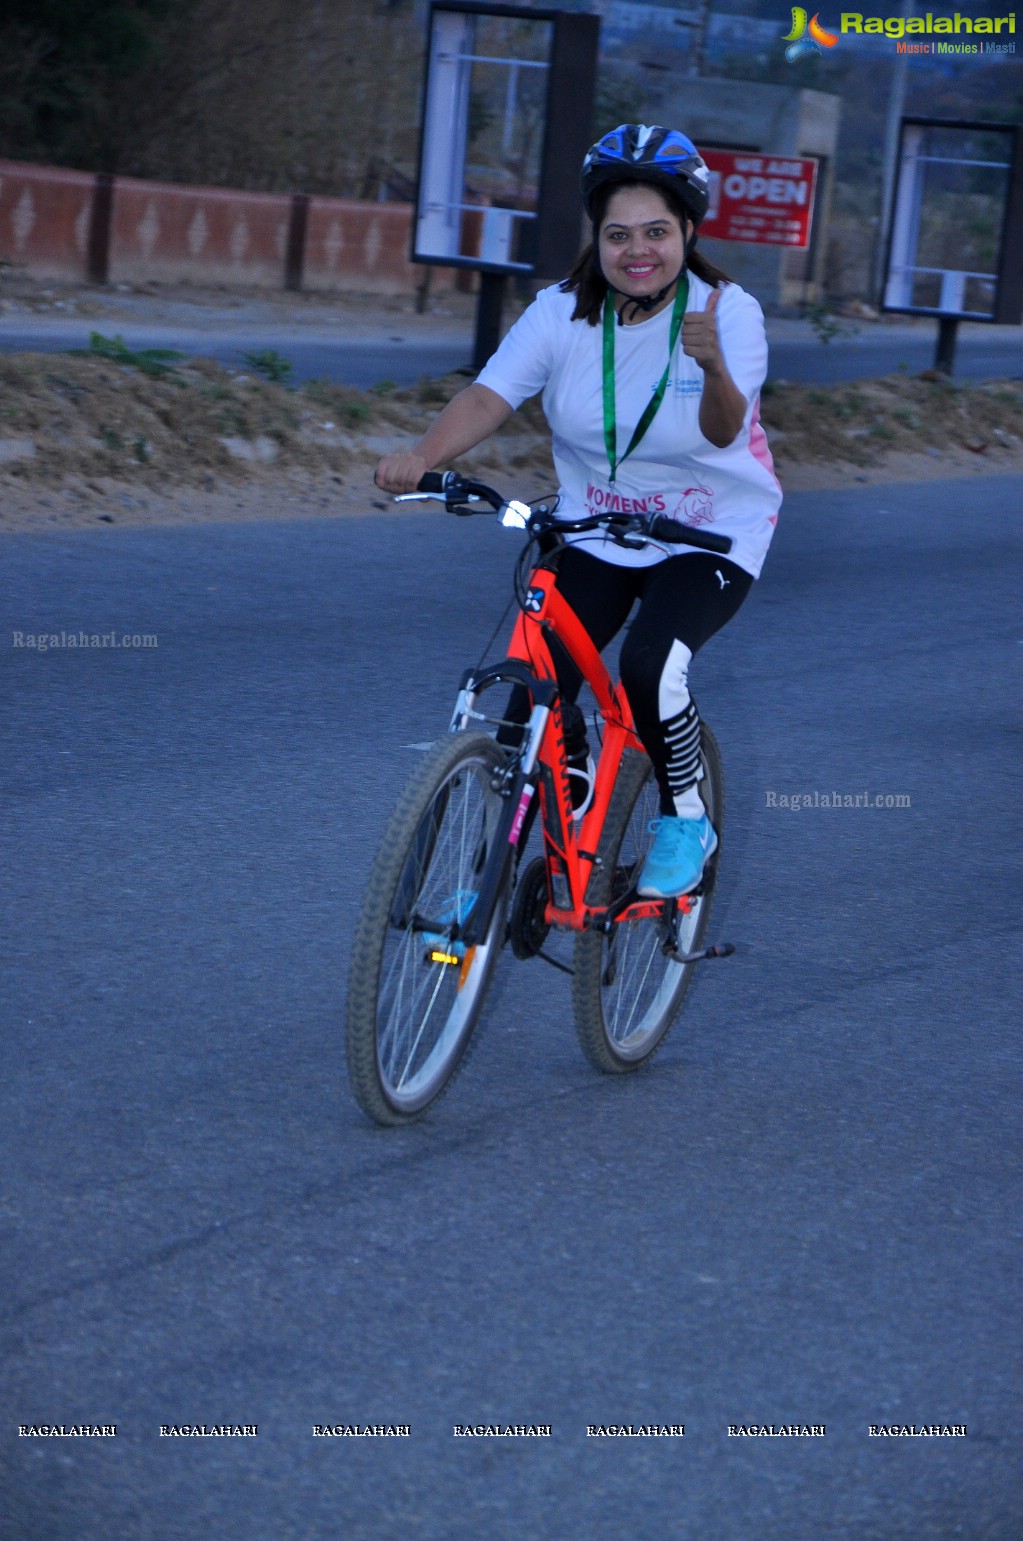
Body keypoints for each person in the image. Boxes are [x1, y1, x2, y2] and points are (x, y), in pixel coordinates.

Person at [375, 123, 782, 899]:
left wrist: (712, 367)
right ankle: (510, 854)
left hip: (711, 532)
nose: (638, 250)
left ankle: (685, 817)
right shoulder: (560, 310)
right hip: (596, 521)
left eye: (657, 232)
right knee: (533, 683)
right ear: (596, 237)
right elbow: (490, 394)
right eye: (618, 233)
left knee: (647, 664)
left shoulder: (726, 314)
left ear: (688, 232)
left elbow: (723, 428)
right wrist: (424, 458)